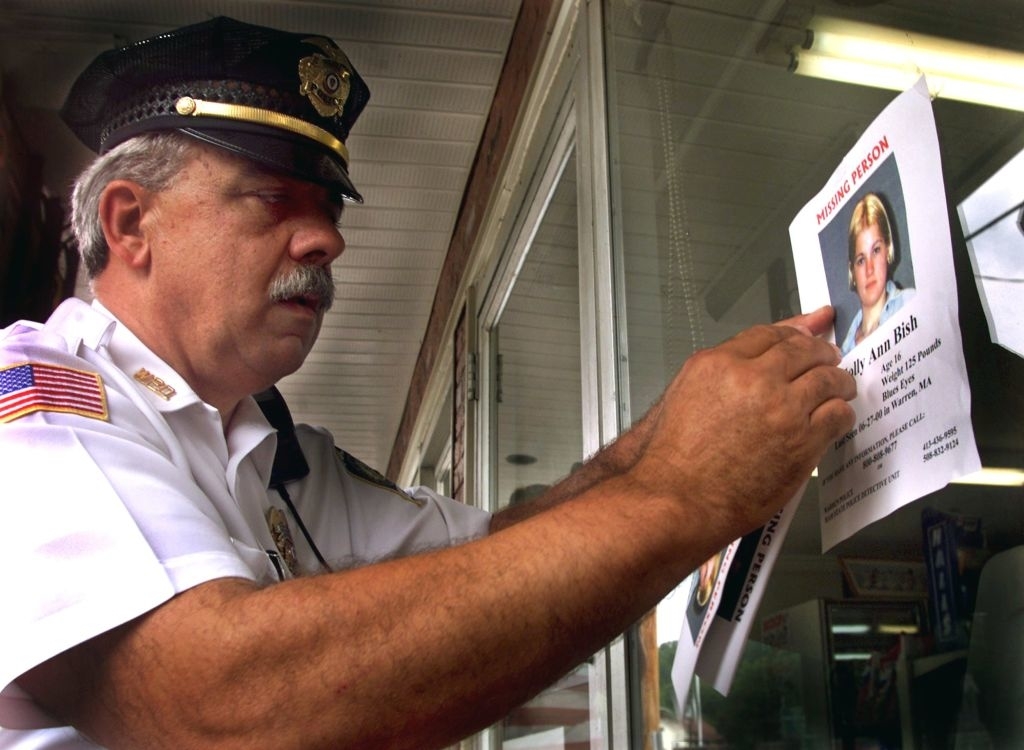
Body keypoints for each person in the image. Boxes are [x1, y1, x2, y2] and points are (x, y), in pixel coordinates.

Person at [0, 16, 856, 750]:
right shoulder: (36, 402)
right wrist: (689, 492)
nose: (324, 241)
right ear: (130, 222)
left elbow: (497, 556)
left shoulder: (277, 454)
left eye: (328, 210)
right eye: (272, 199)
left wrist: (674, 430)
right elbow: (219, 707)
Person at [840, 193, 916, 355]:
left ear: (887, 250)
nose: (869, 269)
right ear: (852, 270)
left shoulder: (911, 304)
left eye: (875, 250)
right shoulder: (844, 353)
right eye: (861, 260)